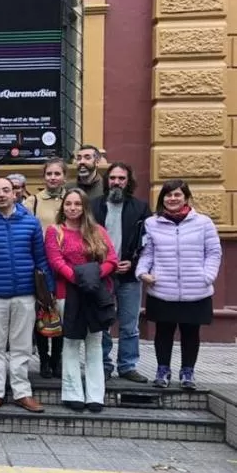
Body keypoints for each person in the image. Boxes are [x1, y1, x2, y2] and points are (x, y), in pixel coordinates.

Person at [0, 177, 51, 413]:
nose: (1, 195)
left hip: (25, 292)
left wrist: (48, 291)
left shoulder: (30, 222)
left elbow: (41, 258)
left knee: (22, 346)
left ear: (15, 193)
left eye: (5, 190)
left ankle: (22, 392)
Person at [137, 179, 222, 388]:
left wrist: (207, 276)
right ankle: (162, 370)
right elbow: (148, 253)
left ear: (186, 197)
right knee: (163, 332)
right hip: (162, 289)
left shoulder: (203, 222)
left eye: (177, 195)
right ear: (162, 199)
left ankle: (188, 373)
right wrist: (142, 272)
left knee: (190, 332)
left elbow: (213, 252)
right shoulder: (152, 223)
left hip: (196, 290)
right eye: (168, 195)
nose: (172, 199)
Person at [45, 189, 118, 412]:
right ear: (63, 207)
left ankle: (96, 395)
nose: (73, 208)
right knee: (71, 343)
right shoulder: (54, 231)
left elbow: (112, 259)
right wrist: (79, 278)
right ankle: (73, 393)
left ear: (84, 207)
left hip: (95, 293)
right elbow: (56, 261)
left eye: (77, 204)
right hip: (67, 293)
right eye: (69, 204)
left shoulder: (98, 231)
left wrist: (93, 277)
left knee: (94, 344)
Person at [90, 162, 152, 383]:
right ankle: (104, 365)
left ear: (128, 182)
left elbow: (148, 244)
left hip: (128, 275)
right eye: (113, 178)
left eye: (121, 178)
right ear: (107, 180)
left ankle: (127, 366)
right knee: (103, 322)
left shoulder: (140, 208)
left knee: (129, 324)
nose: (116, 182)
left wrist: (133, 265)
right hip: (102, 274)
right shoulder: (94, 206)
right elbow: (85, 239)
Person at [24, 157, 67, 378]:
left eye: (57, 174)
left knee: (59, 313)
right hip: (41, 265)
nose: (53, 177)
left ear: (64, 177)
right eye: (49, 174)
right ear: (44, 177)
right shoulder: (33, 201)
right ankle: (43, 359)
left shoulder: (71, 200)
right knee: (42, 312)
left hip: (63, 265)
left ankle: (57, 358)